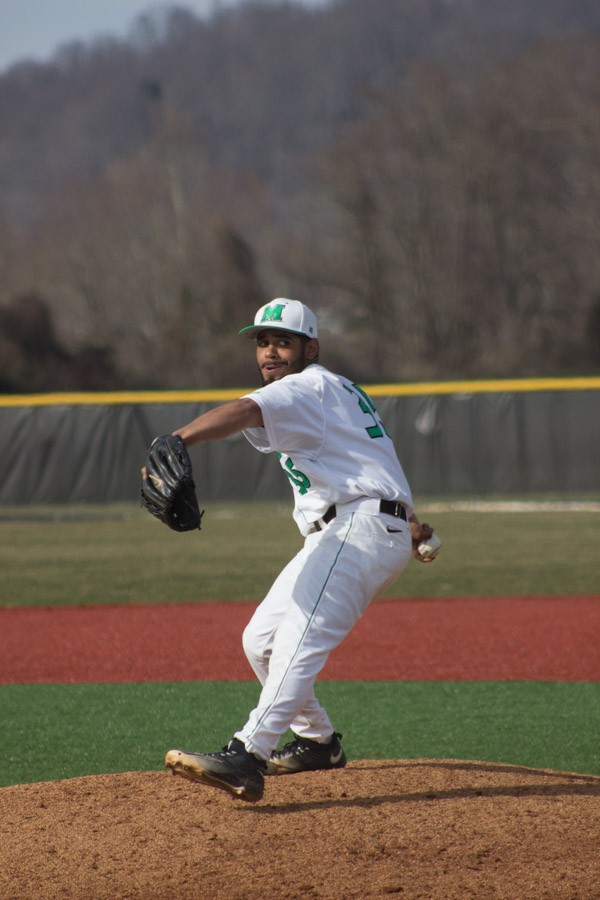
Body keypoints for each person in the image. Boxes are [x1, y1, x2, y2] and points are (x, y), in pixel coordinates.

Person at [163, 298, 438, 802]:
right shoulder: (333, 390)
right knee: (260, 640)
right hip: (354, 527)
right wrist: (410, 522)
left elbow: (246, 409)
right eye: (262, 342)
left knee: (297, 639)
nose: (269, 352)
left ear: (310, 347)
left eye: (282, 341)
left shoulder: (306, 385)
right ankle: (318, 743)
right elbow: (368, 457)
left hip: (357, 529)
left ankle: (248, 754)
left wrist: (178, 439)